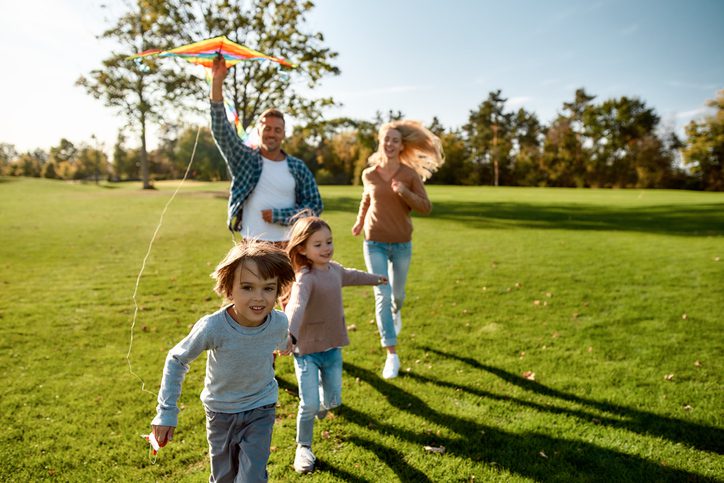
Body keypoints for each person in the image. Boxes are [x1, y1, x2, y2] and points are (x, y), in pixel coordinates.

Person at [150, 240, 295, 482]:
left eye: (268, 288)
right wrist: (166, 413)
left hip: (261, 408)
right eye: (247, 287)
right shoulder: (213, 327)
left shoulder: (279, 322)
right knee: (224, 477)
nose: (259, 298)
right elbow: (177, 359)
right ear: (229, 290)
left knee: (252, 477)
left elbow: (282, 338)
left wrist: (286, 345)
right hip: (221, 413)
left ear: (278, 290)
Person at [282, 216, 387, 473]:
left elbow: (352, 275)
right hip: (306, 351)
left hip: (332, 349)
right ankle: (303, 447)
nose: (326, 248)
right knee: (308, 405)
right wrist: (289, 336)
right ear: (302, 249)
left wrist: (376, 278)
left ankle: (321, 400)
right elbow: (295, 307)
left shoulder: (335, 270)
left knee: (333, 401)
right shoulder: (304, 279)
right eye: (318, 244)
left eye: (329, 242)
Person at [351, 120, 444, 379]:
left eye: (395, 140)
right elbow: (366, 198)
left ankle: (397, 310)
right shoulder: (368, 174)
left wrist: (404, 192)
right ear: (380, 143)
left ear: (401, 146)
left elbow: (426, 206)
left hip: (402, 244)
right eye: (386, 139)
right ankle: (391, 354)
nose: (390, 144)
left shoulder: (409, 175)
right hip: (374, 242)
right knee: (382, 294)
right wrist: (359, 222)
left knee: (397, 296)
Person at [210, 55, 322, 245]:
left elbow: (315, 205)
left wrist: (281, 215)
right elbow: (221, 129)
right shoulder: (245, 159)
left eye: (277, 130)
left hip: (290, 244)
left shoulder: (297, 167)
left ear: (283, 134)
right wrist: (217, 81)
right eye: (267, 128)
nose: (272, 133)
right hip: (252, 244)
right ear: (258, 131)